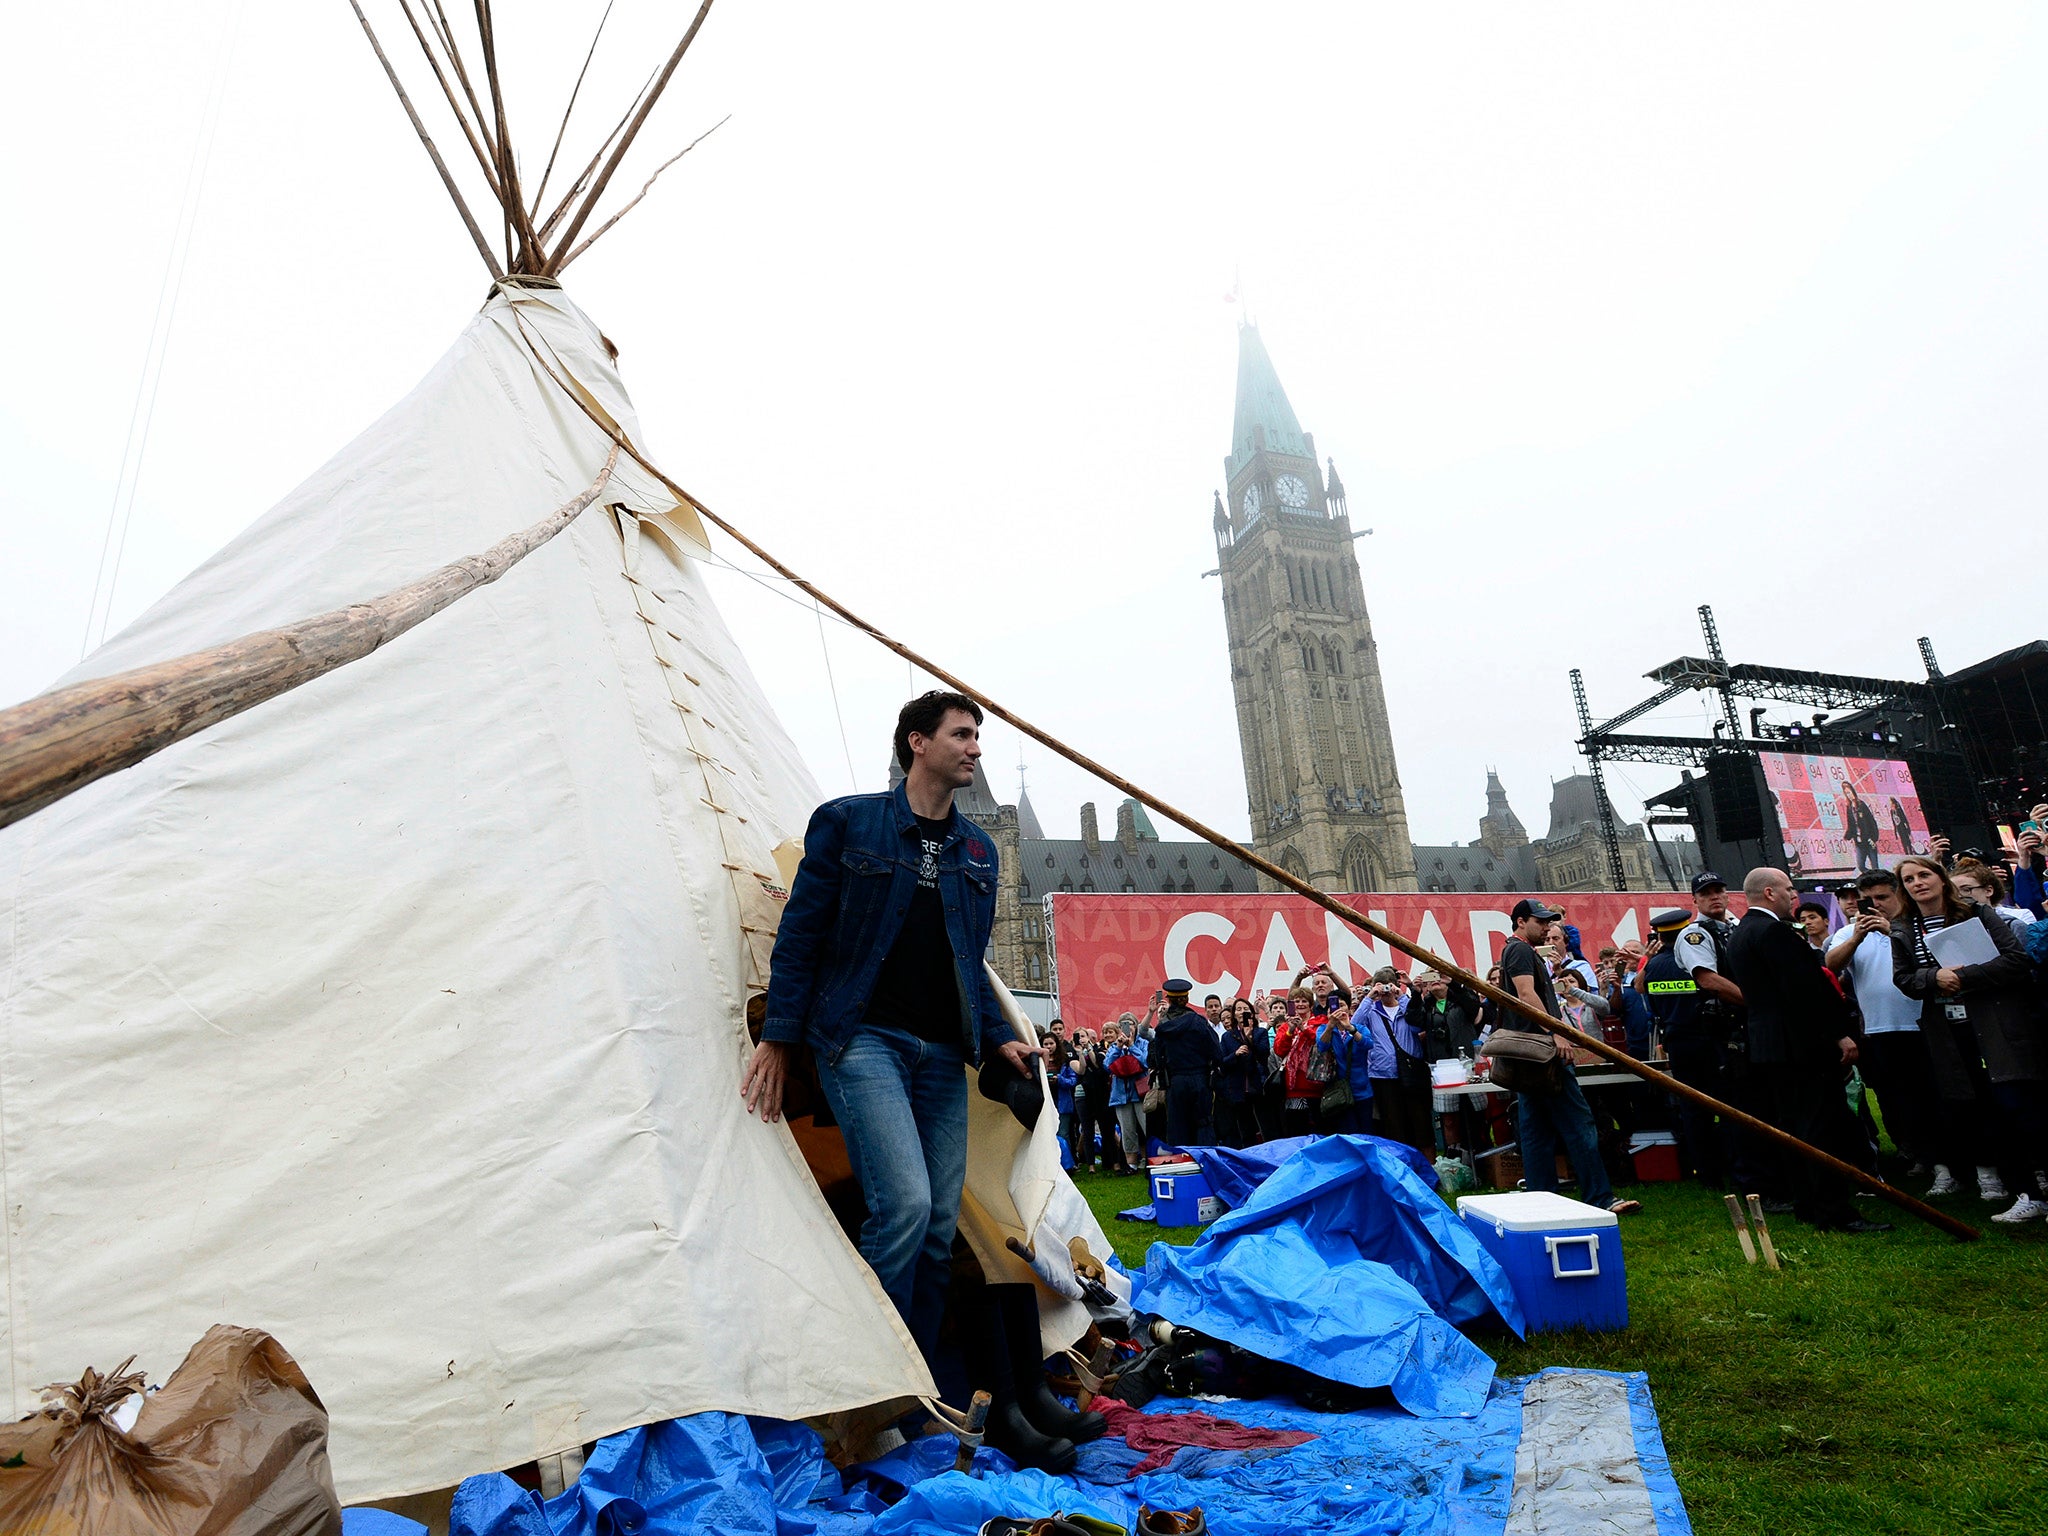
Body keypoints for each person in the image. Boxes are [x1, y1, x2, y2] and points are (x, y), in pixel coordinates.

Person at [745, 691, 1042, 1368]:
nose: (975, 747)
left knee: (938, 1225)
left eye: (976, 737)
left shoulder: (978, 851)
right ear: (918, 741)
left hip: (942, 1053)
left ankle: (922, 1377)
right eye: (962, 735)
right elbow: (801, 935)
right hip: (863, 1041)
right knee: (904, 1206)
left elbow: (971, 959)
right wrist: (780, 1035)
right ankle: (873, 1373)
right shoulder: (848, 824)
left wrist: (998, 1032)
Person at [1723, 868, 1886, 1233]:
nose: (1793, 896)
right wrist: (1840, 1034)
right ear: (1769, 893)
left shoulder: (1741, 934)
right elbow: (1806, 991)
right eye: (1788, 889)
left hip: (1769, 1047)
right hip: (1802, 1046)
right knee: (1821, 1129)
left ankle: (1808, 1202)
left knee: (1792, 1129)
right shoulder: (1774, 933)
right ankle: (1835, 1212)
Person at [1891, 855, 2048, 1223]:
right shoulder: (1903, 927)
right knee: (1986, 1114)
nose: (1917, 883)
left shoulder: (1976, 913)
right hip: (1949, 1032)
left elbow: (2016, 960)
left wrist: (1965, 977)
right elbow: (1904, 979)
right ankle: (2026, 1193)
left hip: (1996, 1024)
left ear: (1941, 878)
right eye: (1909, 878)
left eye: (1924, 874)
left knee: (2021, 1109)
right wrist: (1933, 979)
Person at [1493, 898, 1639, 1215]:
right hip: (1544, 1051)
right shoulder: (1518, 950)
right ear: (1520, 921)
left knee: (1536, 1132)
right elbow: (1526, 994)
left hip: (1531, 1054)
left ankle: (1542, 1201)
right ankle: (1600, 1198)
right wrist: (1555, 1032)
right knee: (1578, 1124)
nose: (1547, 927)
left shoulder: (1519, 951)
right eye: (1540, 921)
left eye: (1550, 922)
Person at [1669, 872, 1780, 1201]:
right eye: (1707, 893)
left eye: (1719, 890)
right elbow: (1708, 980)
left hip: (1745, 1027)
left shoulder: (1735, 928)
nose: (1714, 897)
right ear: (1696, 900)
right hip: (1718, 1033)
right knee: (1735, 1107)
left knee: (1756, 1103)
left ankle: (1764, 1175)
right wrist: (1759, 1003)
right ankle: (1750, 1182)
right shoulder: (1694, 935)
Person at [1827, 871, 1941, 1182]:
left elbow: (1933, 962)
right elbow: (1830, 967)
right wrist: (1857, 937)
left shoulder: (1912, 926)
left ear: (1898, 896)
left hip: (1921, 1024)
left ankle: (1943, 1157)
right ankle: (1912, 1152)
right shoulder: (1847, 933)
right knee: (1893, 1097)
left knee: (1932, 1093)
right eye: (1868, 900)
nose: (1874, 906)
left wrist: (1892, 931)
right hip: (1877, 1028)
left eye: (1882, 898)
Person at [1359, 967, 1432, 1154]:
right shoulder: (1371, 1011)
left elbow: (1418, 1023)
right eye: (1380, 986)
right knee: (1393, 1123)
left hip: (1411, 1072)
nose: (1384, 991)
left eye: (1387, 986)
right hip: (1383, 1075)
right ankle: (1401, 1162)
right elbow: (1355, 1025)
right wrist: (1369, 998)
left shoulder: (1405, 1005)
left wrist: (1402, 996)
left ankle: (1428, 1165)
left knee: (1420, 1120)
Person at [1153, 978, 1221, 1147]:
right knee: (1203, 1122)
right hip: (1199, 1079)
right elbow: (1216, 1051)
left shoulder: (1162, 1027)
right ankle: (1205, 1160)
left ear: (1168, 999)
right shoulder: (1198, 1022)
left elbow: (1156, 1057)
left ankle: (1182, 1163)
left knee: (1177, 1125)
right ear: (1186, 999)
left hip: (1175, 1081)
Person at [1316, 995, 1377, 1134]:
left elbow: (1368, 1044)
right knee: (1347, 1132)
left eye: (1342, 1005)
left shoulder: (1359, 1028)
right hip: (1339, 1091)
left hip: (1361, 1089)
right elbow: (1321, 1046)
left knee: (1366, 1131)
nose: (1338, 1009)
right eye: (1334, 1006)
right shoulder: (1324, 1029)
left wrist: (1350, 1028)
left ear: (1349, 1009)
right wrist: (1330, 1026)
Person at [1215, 999, 1267, 1146]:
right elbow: (1222, 1064)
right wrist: (1235, 1054)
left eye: (1245, 1008)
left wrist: (1250, 1038)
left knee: (1263, 1125)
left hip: (1257, 1086)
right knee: (1244, 1128)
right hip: (1237, 1089)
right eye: (1238, 1009)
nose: (1242, 1011)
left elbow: (1263, 1055)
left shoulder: (1260, 1032)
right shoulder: (1227, 1037)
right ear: (1233, 1014)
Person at [1278, 985, 1325, 1135]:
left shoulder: (1320, 1023)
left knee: (1318, 1129)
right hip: (1294, 1090)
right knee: (1296, 1130)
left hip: (1316, 1086)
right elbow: (1279, 1050)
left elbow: (1321, 1043)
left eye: (1304, 1001)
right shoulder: (1285, 1027)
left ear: (1311, 1004)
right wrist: (1291, 1030)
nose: (1300, 1004)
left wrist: (1303, 1029)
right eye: (1296, 1001)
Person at [1101, 1021, 1146, 1173]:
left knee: (1146, 1127)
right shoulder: (1115, 1046)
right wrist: (1119, 1047)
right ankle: (1131, 1164)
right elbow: (1107, 1066)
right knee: (1127, 1130)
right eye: (1124, 1025)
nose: (1128, 1028)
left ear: (1136, 1026)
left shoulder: (1142, 1043)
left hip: (1140, 1092)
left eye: (1131, 1024)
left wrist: (1132, 1046)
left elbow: (1146, 1062)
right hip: (1121, 1095)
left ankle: (1150, 1159)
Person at [1842, 780, 1882, 874]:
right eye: (1846, 793)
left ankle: (1877, 879)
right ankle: (1872, 877)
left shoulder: (1861, 805)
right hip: (1859, 843)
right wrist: (1847, 836)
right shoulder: (1849, 808)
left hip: (1868, 841)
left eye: (1850, 792)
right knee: (1861, 866)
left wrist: (1874, 838)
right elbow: (1851, 825)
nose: (1849, 795)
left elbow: (1872, 822)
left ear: (1853, 792)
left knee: (1875, 867)